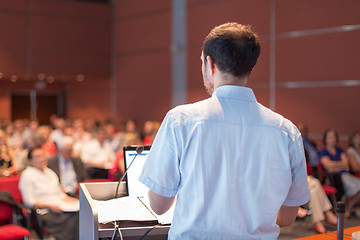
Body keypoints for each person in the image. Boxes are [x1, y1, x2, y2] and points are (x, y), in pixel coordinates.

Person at [138, 22, 310, 239]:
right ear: (250, 66)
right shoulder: (287, 131)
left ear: (210, 64)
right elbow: (287, 218)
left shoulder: (181, 120)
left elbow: (159, 205)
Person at [19, 147, 79, 240]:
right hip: (45, 211)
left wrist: (75, 201)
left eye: (43, 155)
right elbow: (29, 202)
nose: (43, 158)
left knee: (81, 211)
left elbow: (61, 195)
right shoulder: (27, 175)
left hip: (60, 206)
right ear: (30, 161)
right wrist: (50, 206)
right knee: (75, 217)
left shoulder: (49, 172)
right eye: (38, 156)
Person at [319, 128, 360, 218]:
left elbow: (346, 164)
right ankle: (348, 209)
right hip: (333, 178)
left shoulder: (339, 150)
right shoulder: (323, 151)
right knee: (354, 188)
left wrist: (334, 165)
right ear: (325, 139)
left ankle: (348, 208)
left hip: (346, 175)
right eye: (329, 137)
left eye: (333, 137)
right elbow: (328, 167)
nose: (332, 139)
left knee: (357, 188)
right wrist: (341, 165)